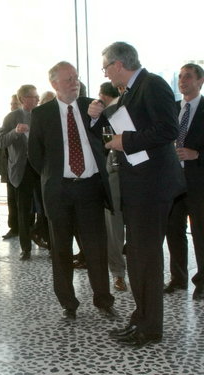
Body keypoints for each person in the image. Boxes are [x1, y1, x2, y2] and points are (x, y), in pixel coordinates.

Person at [89, 42, 186, 348]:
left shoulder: (152, 84)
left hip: (153, 186)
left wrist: (126, 141)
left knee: (146, 259)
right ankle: (141, 318)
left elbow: (168, 129)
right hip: (138, 187)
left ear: (118, 64)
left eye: (105, 66)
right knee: (139, 257)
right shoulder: (130, 92)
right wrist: (97, 119)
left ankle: (150, 327)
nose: (104, 72)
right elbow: (111, 135)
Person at [28, 62, 116, 322]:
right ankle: (68, 303)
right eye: (68, 79)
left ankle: (103, 300)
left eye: (76, 78)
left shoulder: (93, 106)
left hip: (90, 188)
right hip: (60, 191)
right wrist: (53, 177)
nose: (74, 82)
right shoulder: (42, 114)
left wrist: (98, 118)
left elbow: (109, 139)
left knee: (96, 249)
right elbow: (35, 155)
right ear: (54, 83)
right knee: (61, 250)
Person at [165, 63, 204, 300]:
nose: (182, 81)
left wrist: (197, 154)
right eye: (180, 77)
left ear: (200, 81)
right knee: (173, 230)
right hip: (172, 180)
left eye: (188, 77)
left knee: (199, 232)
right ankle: (178, 278)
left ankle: (202, 282)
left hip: (198, 181)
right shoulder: (172, 108)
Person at [0, 84, 41, 260]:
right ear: (23, 99)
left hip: (41, 168)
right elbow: (0, 142)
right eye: (33, 97)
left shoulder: (41, 115)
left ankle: (48, 241)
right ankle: (26, 248)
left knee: (46, 209)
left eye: (37, 97)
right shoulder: (11, 117)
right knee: (24, 211)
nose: (37, 100)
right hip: (21, 169)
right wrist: (15, 132)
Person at [98, 82, 127, 292]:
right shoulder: (108, 113)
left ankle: (139, 271)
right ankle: (118, 274)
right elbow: (105, 142)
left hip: (140, 174)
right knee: (114, 225)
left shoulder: (142, 106)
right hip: (115, 170)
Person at [0, 94, 21, 240]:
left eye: (15, 104)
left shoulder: (33, 116)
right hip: (11, 167)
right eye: (11, 104)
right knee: (12, 200)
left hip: (29, 169)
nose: (12, 106)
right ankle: (14, 228)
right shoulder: (8, 119)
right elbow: (1, 142)